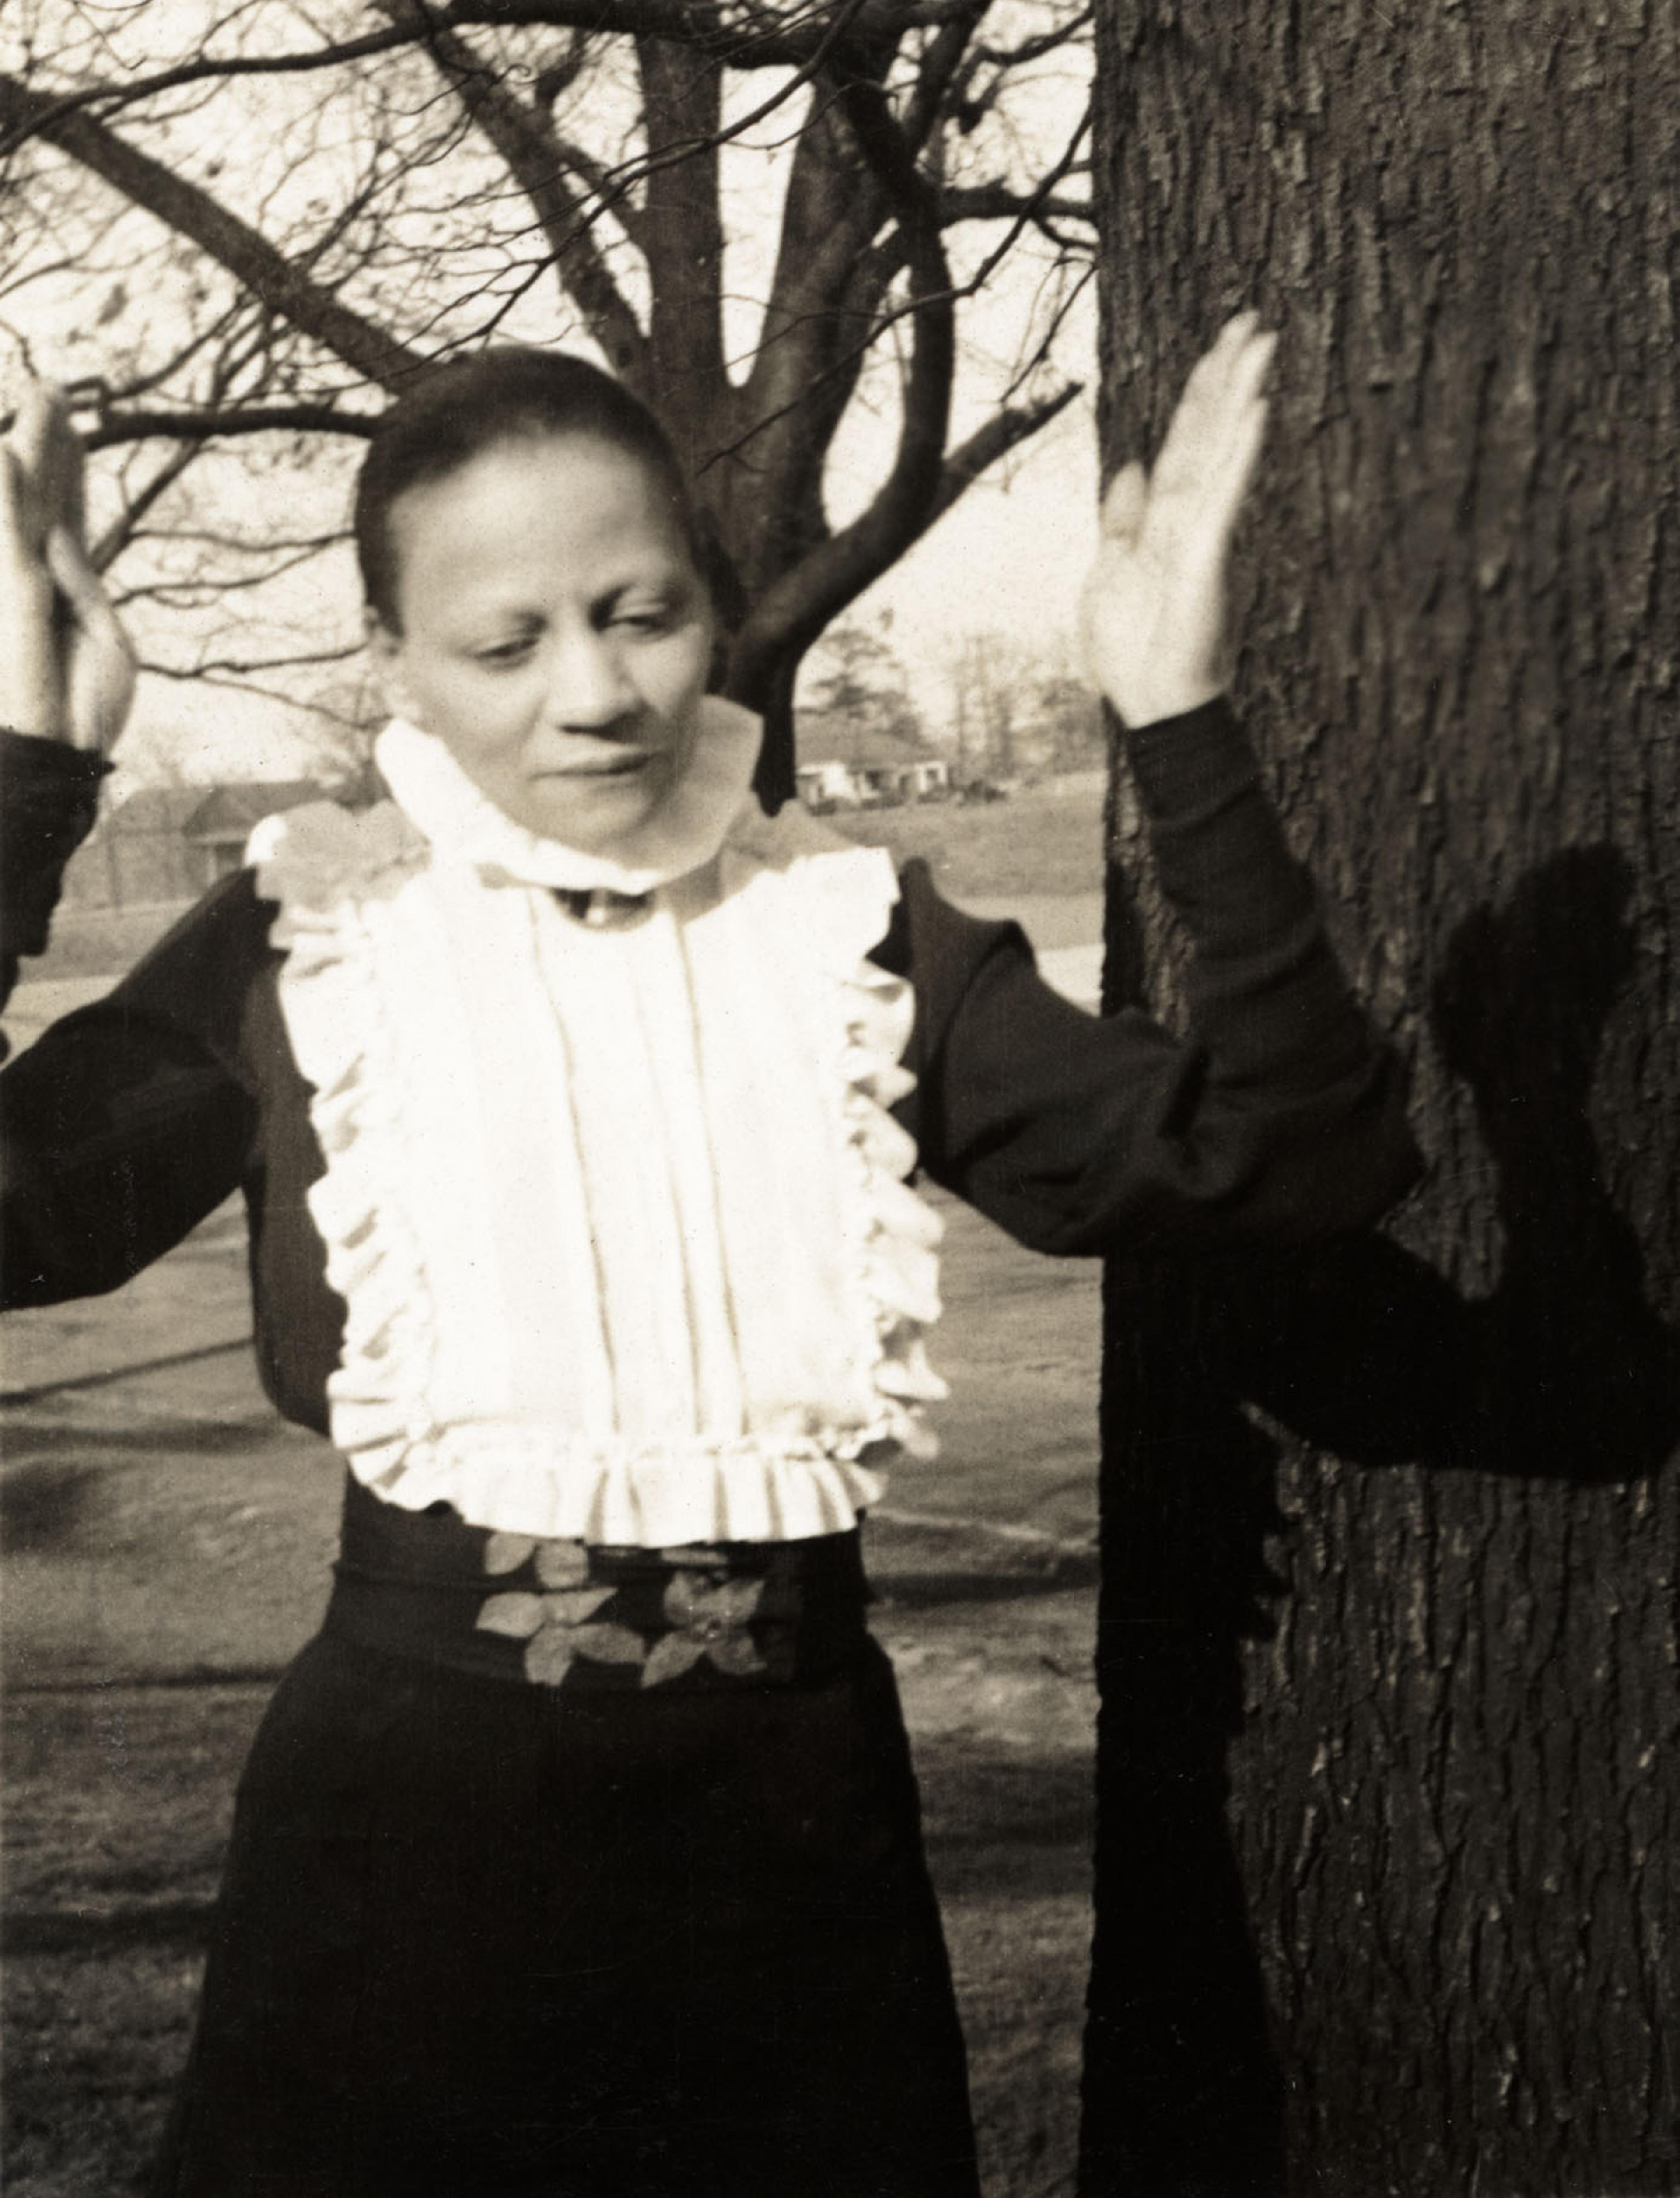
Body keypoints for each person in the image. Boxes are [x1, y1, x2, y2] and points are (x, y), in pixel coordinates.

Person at [0, 315, 1418, 2198]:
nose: (595, 693)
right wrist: (26, 775)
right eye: (506, 643)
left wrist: (1173, 712)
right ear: (397, 668)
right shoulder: (298, 937)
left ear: (713, 609)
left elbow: (1290, 1162)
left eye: (641, 612)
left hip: (794, 1844)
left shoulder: (854, 932)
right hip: (405, 1851)